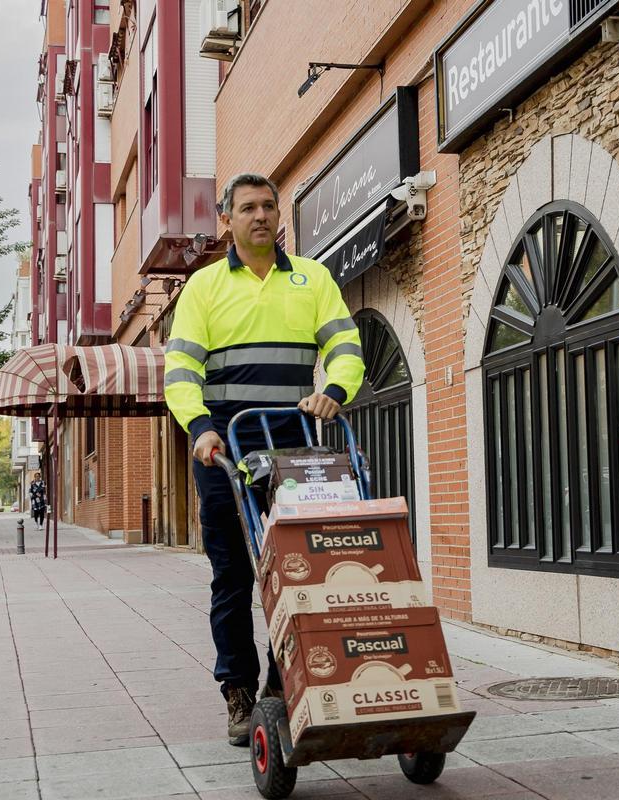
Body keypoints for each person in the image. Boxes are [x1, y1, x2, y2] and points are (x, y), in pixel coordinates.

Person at [164, 172, 364, 745]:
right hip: (223, 450)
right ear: (227, 219)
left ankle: (282, 682)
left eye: (268, 206)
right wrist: (200, 429)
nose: (259, 215)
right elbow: (180, 374)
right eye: (247, 207)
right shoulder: (203, 288)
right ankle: (237, 690)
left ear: (280, 216)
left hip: (294, 451)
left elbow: (347, 348)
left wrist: (336, 391)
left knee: (297, 567)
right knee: (232, 575)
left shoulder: (313, 278)